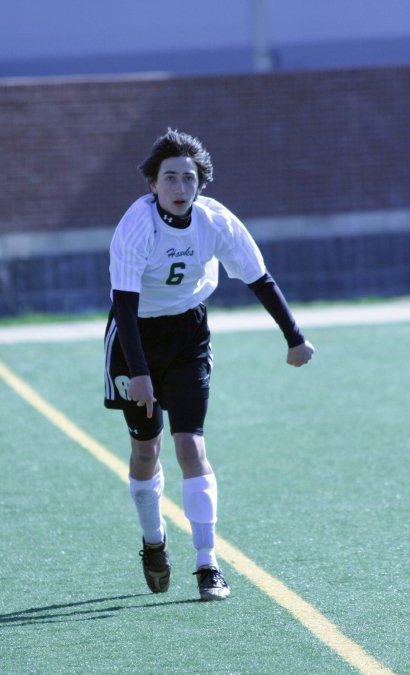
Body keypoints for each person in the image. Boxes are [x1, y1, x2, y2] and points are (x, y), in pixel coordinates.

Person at [104, 128, 314, 601]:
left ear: (201, 184)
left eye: (189, 179)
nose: (180, 189)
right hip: (134, 337)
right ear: (152, 185)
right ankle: (154, 541)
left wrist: (294, 337)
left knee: (190, 447)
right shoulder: (137, 226)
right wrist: (138, 374)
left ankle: (207, 564)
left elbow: (259, 278)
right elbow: (123, 305)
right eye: (170, 179)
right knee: (145, 450)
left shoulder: (216, 221)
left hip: (188, 336)